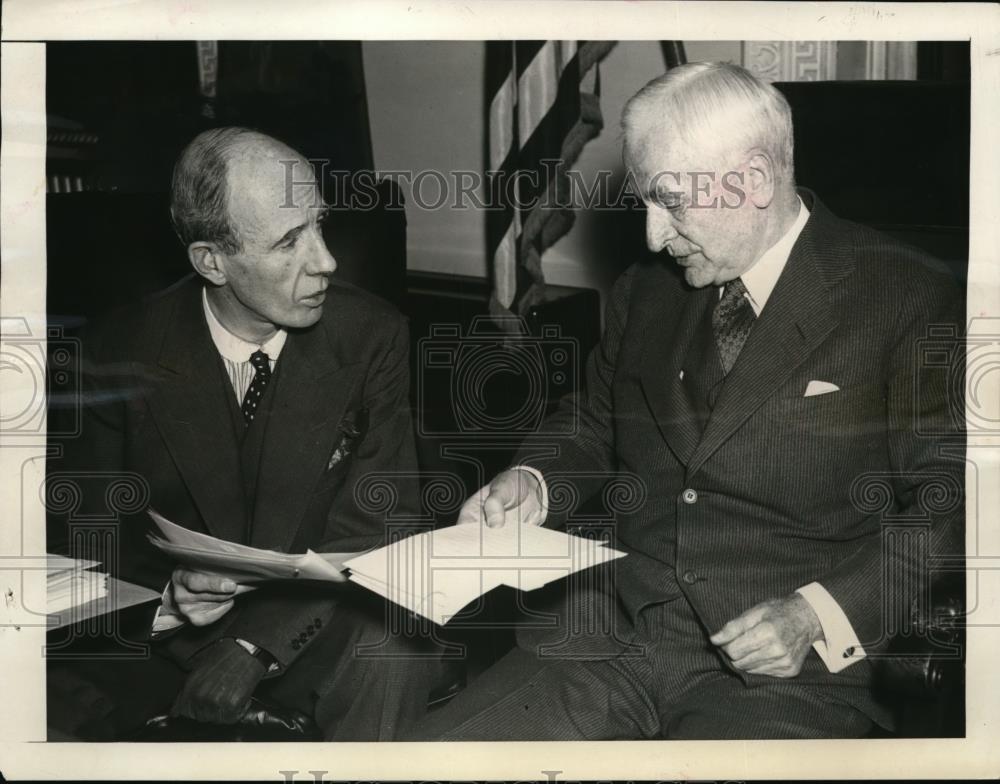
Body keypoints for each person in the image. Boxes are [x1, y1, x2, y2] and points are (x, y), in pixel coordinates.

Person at [407, 62, 965, 740]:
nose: (650, 237)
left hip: (789, 679)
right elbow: (593, 418)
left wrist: (816, 613)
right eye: (645, 201)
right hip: (611, 640)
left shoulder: (907, 297)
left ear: (755, 182)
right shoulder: (648, 289)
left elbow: (954, 504)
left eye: (671, 201)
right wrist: (534, 482)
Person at [57, 127, 437, 740]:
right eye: (290, 241)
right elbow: (84, 537)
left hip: (318, 624)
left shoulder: (372, 336)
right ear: (212, 261)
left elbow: (382, 524)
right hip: (166, 635)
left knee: (396, 641)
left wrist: (254, 645)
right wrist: (169, 603)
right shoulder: (114, 350)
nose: (326, 261)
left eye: (320, 225)